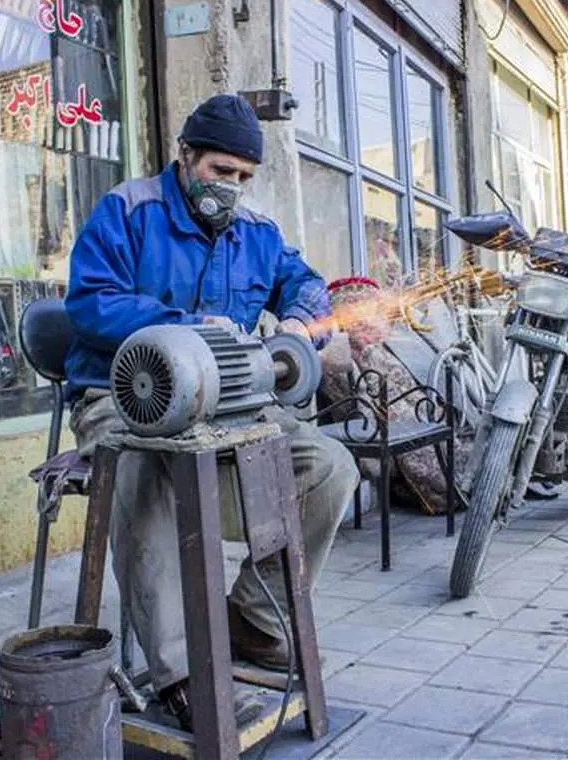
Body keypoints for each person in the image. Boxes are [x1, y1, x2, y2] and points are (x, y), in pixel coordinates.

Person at [62, 94, 358, 730]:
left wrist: (306, 321)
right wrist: (186, 327)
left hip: (223, 401)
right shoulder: (128, 210)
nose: (232, 188)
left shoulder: (258, 234)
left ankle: (251, 620)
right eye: (221, 171)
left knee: (328, 466)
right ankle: (182, 670)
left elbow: (306, 284)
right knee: (147, 474)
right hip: (125, 397)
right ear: (186, 155)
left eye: (244, 178)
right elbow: (88, 303)